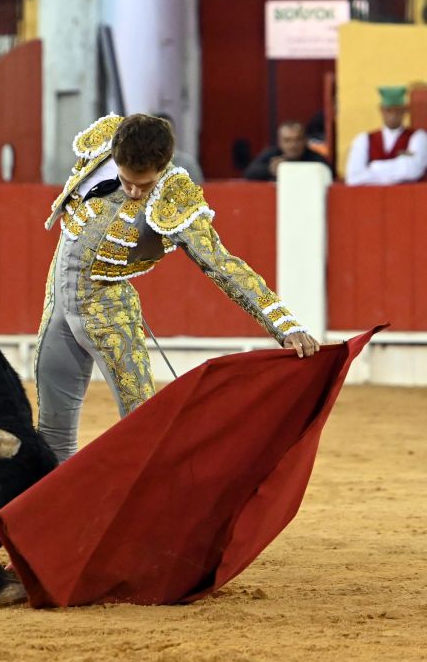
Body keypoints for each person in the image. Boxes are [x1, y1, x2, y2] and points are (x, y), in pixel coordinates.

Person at [36, 113, 320, 462]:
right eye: (127, 181)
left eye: (145, 185)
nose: (134, 192)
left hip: (109, 312)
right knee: (51, 431)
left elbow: (221, 264)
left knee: (144, 427)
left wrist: (284, 324)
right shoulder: (103, 144)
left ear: (164, 166)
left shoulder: (175, 195)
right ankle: (53, 514)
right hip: (59, 305)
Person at [344, 86, 427, 186]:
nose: (393, 115)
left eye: (398, 110)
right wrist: (398, 168)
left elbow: (413, 170)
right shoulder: (364, 140)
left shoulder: (418, 137)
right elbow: (353, 177)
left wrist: (375, 167)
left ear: (405, 111)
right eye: (389, 110)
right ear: (381, 110)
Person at [243, 120, 332, 181]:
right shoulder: (272, 154)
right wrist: (270, 169)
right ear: (280, 142)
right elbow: (249, 173)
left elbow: (329, 174)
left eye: (298, 140)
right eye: (287, 140)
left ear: (305, 141)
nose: (293, 145)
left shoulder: (315, 158)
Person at [153, 112, 203, 183]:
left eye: (168, 132)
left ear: (174, 135)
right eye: (159, 133)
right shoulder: (141, 165)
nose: (163, 137)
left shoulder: (188, 165)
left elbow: (200, 190)